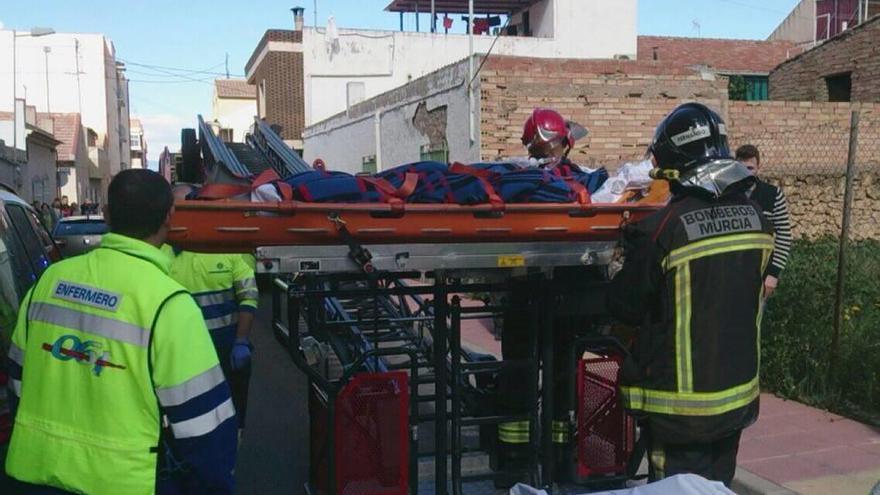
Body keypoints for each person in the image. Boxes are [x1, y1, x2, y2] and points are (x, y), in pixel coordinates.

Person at [4, 169, 237, 494]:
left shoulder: (49, 281)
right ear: (170, 216)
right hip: (122, 483)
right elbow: (204, 429)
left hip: (33, 474)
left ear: (106, 214)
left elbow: (17, 380)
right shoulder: (169, 304)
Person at [607, 103, 774, 486]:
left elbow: (624, 306)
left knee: (678, 490)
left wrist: (620, 264)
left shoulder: (662, 229)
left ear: (674, 165)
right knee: (718, 488)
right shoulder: (758, 219)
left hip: (680, 412)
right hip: (737, 400)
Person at [493, 108, 595, 486]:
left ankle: (522, 465)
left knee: (533, 379)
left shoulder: (524, 182)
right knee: (547, 380)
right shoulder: (571, 183)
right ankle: (546, 466)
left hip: (533, 295)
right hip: (554, 296)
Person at [164, 186, 258, 439]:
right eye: (176, 210)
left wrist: (241, 341)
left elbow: (248, 296)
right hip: (180, 353)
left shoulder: (228, 247)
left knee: (231, 414)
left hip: (225, 349)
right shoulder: (160, 254)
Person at [735, 144, 792, 299]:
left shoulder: (772, 195)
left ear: (758, 168)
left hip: (761, 274)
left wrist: (773, 274)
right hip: (730, 274)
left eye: (750, 168)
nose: (745, 174)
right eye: (740, 169)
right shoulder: (727, 195)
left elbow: (784, 236)